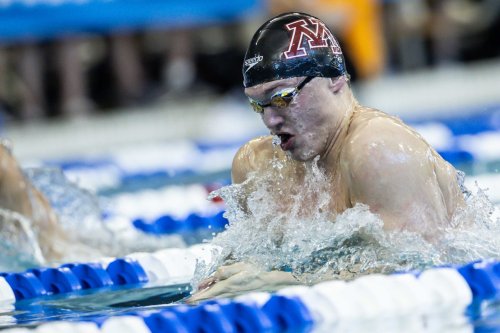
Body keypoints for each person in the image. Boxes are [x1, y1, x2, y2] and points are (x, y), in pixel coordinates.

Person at [188, 12, 466, 302]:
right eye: (258, 105)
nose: (270, 120)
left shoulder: (380, 150)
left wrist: (278, 283)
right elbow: (247, 270)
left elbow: (422, 275)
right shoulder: (257, 167)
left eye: (283, 97)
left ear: (334, 79)